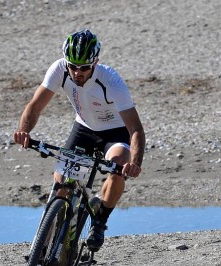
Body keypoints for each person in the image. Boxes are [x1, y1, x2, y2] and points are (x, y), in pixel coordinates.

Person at [14, 29, 145, 251]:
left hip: (114, 133)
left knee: (119, 165)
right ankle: (45, 246)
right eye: (72, 66)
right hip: (83, 128)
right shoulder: (59, 69)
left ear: (95, 62)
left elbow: (136, 129)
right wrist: (24, 131)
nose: (77, 72)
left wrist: (135, 163)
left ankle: (100, 222)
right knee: (61, 182)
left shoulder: (111, 81)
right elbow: (34, 106)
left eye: (84, 67)